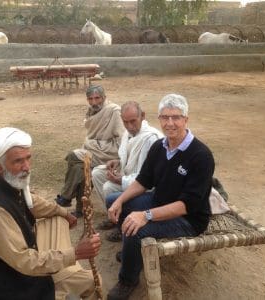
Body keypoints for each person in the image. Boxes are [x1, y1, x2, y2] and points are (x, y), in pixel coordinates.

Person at [0, 127, 101, 300]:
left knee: (92, 281)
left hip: (27, 273)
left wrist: (63, 212)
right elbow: (24, 261)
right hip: (11, 286)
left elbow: (32, 202)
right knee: (80, 290)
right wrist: (75, 253)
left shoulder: (10, 181)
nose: (27, 167)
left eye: (28, 158)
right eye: (18, 161)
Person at [106, 94, 215, 300]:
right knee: (112, 200)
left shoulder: (201, 155)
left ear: (186, 120)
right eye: (165, 117)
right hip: (159, 201)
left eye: (176, 117)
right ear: (159, 119)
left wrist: (145, 215)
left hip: (188, 219)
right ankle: (132, 253)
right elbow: (143, 181)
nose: (170, 123)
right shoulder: (159, 147)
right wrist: (120, 200)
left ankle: (127, 281)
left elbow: (186, 205)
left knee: (134, 229)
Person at [91, 101, 163, 240]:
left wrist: (120, 180)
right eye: (125, 122)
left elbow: (147, 178)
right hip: (129, 176)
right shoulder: (128, 133)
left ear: (142, 116)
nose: (129, 126)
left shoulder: (151, 138)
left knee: (108, 187)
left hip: (146, 186)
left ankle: (123, 225)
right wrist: (118, 162)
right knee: (97, 173)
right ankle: (114, 215)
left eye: (133, 121)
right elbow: (128, 158)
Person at [55, 85, 125, 217]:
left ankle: (65, 197)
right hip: (95, 152)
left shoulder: (114, 111)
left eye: (97, 98)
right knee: (79, 168)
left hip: (110, 155)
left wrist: (91, 144)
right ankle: (80, 209)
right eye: (90, 99)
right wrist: (92, 144)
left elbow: (121, 143)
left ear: (104, 97)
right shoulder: (91, 111)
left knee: (72, 156)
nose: (94, 102)